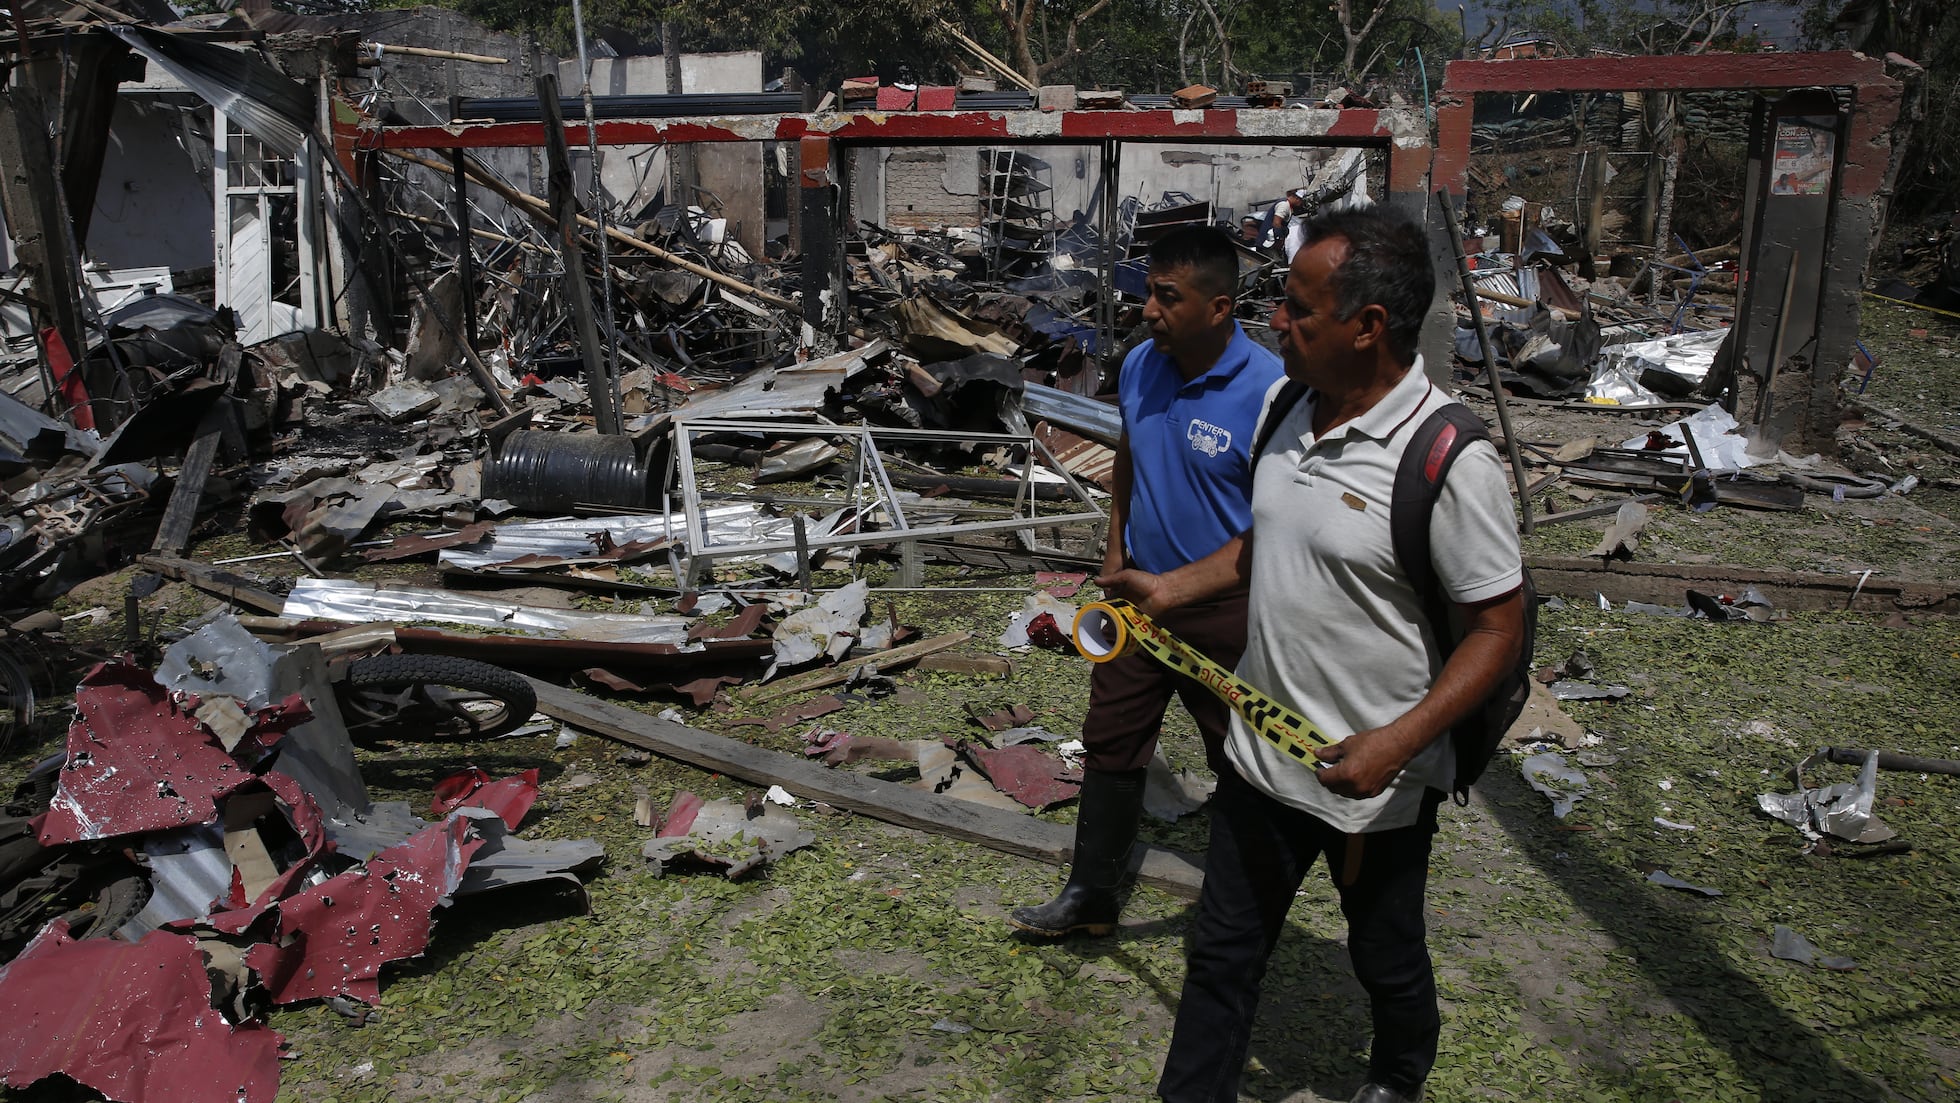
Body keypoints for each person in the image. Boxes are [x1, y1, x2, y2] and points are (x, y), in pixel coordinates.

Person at [1102, 206, 1526, 1103]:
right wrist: (1171, 588)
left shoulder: (1448, 459)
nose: (1276, 326)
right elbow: (1270, 538)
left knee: (1384, 951)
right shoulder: (1287, 408)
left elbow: (1497, 630)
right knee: (1220, 957)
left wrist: (1398, 743)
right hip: (1261, 757)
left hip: (1371, 779)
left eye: (1297, 309)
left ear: (1368, 326)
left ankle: (1399, 1072)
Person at [1007, 225, 1284, 939]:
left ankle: (1240, 907)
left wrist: (1193, 589)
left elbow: (1280, 523)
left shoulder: (1271, 392)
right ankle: (1090, 895)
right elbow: (1129, 459)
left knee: (1243, 754)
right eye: (1148, 293)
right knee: (1112, 737)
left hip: (1228, 607)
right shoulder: (1138, 365)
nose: (1150, 310)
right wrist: (1112, 556)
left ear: (1220, 307)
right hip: (1135, 601)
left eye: (1168, 297)